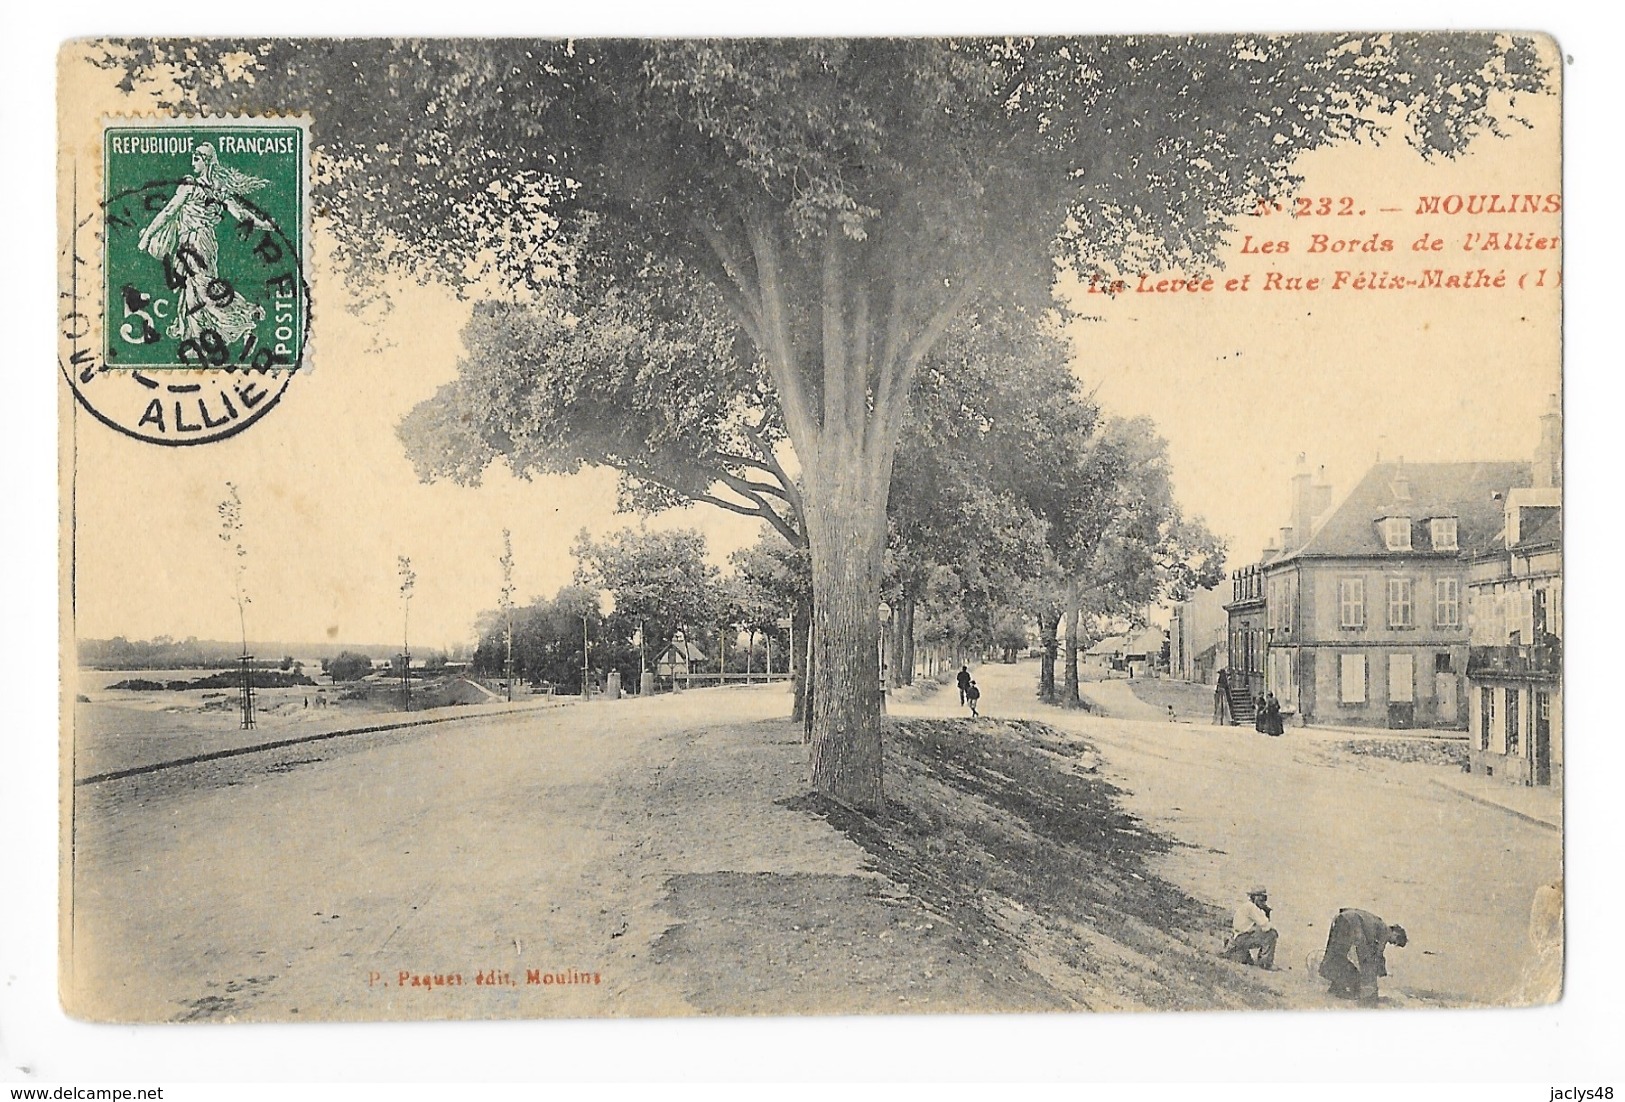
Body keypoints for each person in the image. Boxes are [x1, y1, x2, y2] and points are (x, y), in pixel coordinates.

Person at [136, 144, 270, 347]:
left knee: (197, 289)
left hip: (193, 244)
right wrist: (266, 225)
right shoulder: (219, 191)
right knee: (201, 288)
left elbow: (168, 212)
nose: (193, 162)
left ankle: (230, 322)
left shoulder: (190, 187)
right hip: (206, 243)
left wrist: (147, 236)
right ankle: (204, 331)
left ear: (206, 161)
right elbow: (241, 215)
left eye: (197, 158)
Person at [1318, 907, 1407, 1003]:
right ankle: (1351, 989)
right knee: (1360, 956)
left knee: (1337, 953)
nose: (1392, 943)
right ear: (1396, 933)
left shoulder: (1377, 923)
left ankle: (1335, 984)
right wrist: (1377, 973)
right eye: (1395, 941)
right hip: (1353, 923)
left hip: (1342, 918)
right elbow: (1377, 954)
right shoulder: (1385, 931)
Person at [1221, 884, 1279, 969]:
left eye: (1264, 899)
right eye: (1261, 898)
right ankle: (1265, 963)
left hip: (1238, 938)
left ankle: (1232, 949)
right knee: (1272, 934)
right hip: (1242, 938)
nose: (1263, 901)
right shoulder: (1251, 908)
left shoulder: (1248, 906)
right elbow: (1266, 926)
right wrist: (1267, 914)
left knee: (1246, 961)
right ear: (1254, 897)